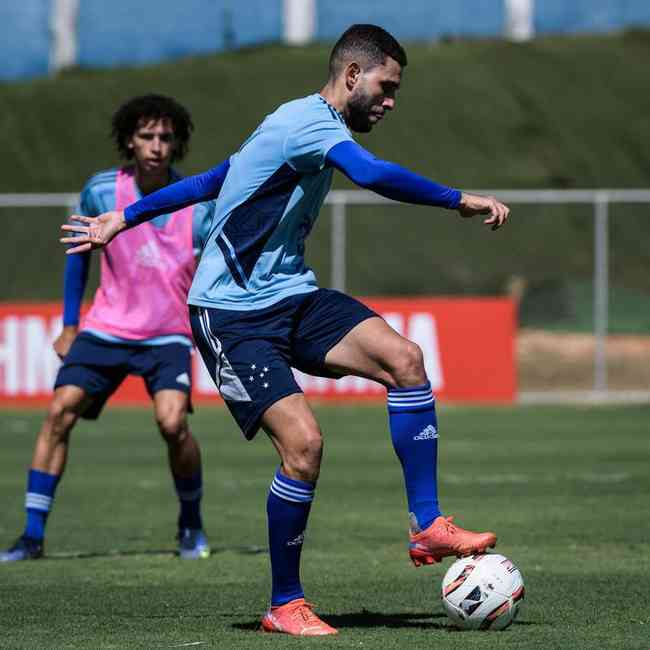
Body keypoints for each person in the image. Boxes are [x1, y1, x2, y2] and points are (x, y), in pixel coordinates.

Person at [60, 26, 510, 635]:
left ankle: (427, 524)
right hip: (230, 313)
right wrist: (458, 199)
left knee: (404, 359)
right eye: (387, 86)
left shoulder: (294, 121)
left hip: (291, 296)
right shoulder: (311, 124)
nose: (391, 100)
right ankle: (284, 604)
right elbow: (372, 175)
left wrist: (125, 217)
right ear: (352, 74)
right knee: (303, 447)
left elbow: (212, 179)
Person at [2, 94, 216, 563]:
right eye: (146, 136)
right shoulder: (101, 190)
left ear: (176, 142)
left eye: (165, 137)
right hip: (107, 328)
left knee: (173, 422)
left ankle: (191, 524)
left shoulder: (198, 204)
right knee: (59, 411)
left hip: (167, 334)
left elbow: (213, 273)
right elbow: (78, 254)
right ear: (129, 141)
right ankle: (32, 536)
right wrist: (69, 324)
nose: (157, 145)